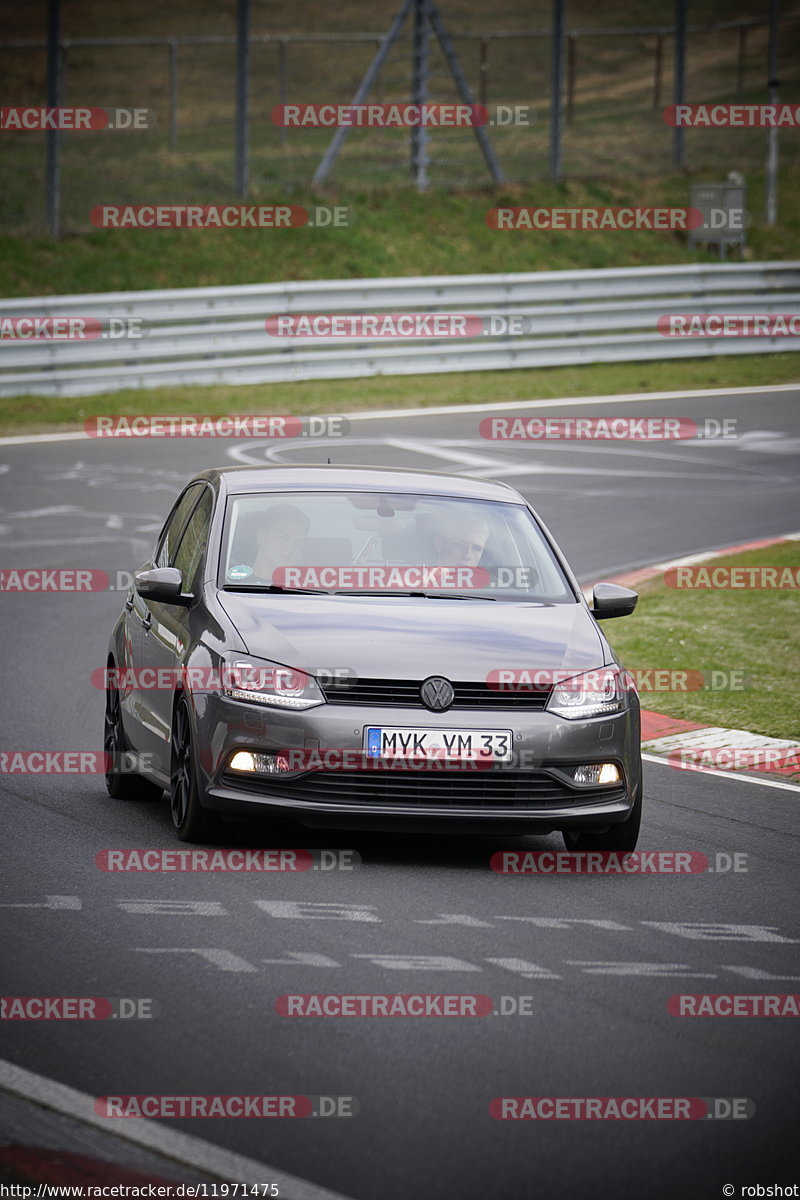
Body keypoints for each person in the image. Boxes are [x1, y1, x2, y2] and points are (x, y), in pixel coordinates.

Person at [228, 504, 310, 584]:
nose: (291, 548)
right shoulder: (229, 581)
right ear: (261, 537)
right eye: (283, 538)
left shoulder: (304, 590)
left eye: (298, 544)